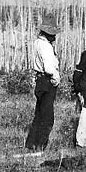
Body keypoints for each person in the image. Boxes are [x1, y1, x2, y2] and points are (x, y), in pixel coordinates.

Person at [24, 13, 60, 155]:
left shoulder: (38, 43)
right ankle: (39, 146)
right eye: (52, 33)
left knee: (39, 115)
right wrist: (56, 78)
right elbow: (49, 68)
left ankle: (31, 145)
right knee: (47, 117)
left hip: (40, 81)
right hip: (47, 81)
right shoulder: (45, 46)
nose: (55, 36)